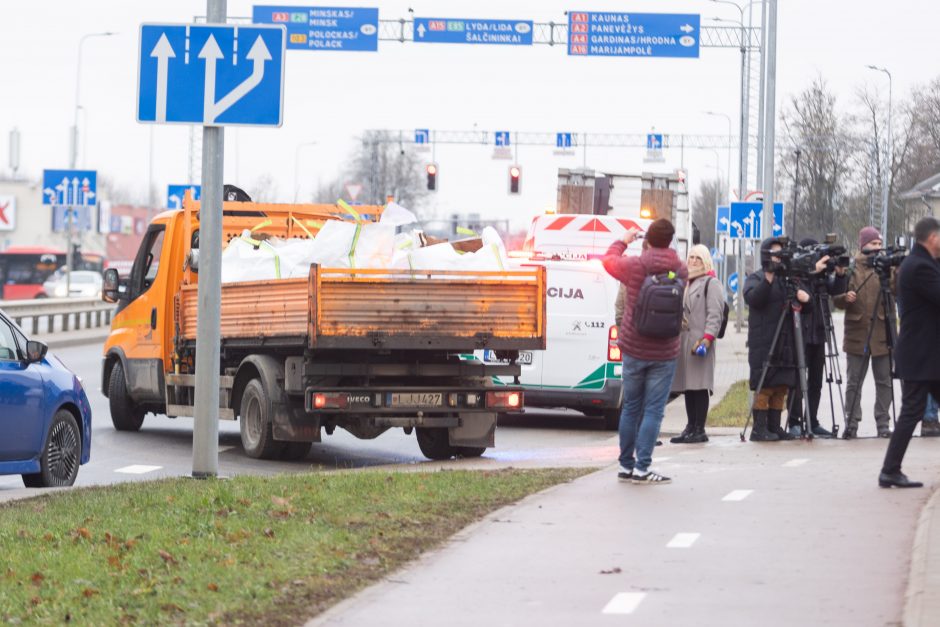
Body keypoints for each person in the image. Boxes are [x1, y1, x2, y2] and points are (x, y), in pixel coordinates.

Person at [603, 218, 687, 485]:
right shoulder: (679, 268)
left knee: (631, 408)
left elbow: (608, 260)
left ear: (647, 239)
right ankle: (643, 468)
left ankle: (626, 466)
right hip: (665, 350)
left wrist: (625, 240)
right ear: (670, 240)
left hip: (634, 347)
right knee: (653, 411)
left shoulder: (635, 266)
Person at [744, 238, 826, 441]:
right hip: (765, 341)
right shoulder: (757, 277)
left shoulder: (788, 279)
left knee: (781, 385)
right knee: (765, 386)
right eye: (774, 254)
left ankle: (775, 427)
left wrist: (806, 299)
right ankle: (759, 429)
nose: (778, 258)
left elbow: (807, 305)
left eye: (781, 254)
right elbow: (754, 299)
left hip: (786, 341)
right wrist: (769, 277)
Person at [879, 216, 940, 488]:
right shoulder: (920, 267)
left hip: (927, 355)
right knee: (911, 412)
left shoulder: (920, 263)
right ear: (933, 238)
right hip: (921, 355)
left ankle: (890, 470)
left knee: (911, 412)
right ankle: (890, 470)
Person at [832, 227, 897, 439]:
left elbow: (897, 290)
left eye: (880, 244)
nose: (878, 248)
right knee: (854, 381)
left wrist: (893, 270)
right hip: (857, 332)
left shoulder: (885, 267)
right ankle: (851, 422)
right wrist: (845, 297)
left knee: (885, 381)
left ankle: (883, 423)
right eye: (874, 244)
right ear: (863, 245)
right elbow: (836, 297)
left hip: (881, 331)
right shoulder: (851, 268)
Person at [786, 237, 848, 438]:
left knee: (816, 381)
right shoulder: (798, 275)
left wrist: (839, 275)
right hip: (800, 332)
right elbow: (795, 290)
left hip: (819, 332)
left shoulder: (821, 278)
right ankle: (794, 421)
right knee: (797, 379)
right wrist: (813, 268)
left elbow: (837, 290)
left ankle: (811, 420)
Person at [669, 245, 726, 444]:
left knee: (699, 386)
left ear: (706, 261)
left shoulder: (712, 283)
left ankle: (699, 428)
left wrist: (708, 339)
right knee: (687, 387)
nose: (693, 261)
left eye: (698, 258)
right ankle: (690, 426)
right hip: (684, 343)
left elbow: (715, 314)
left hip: (700, 343)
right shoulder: (685, 282)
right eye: (691, 257)